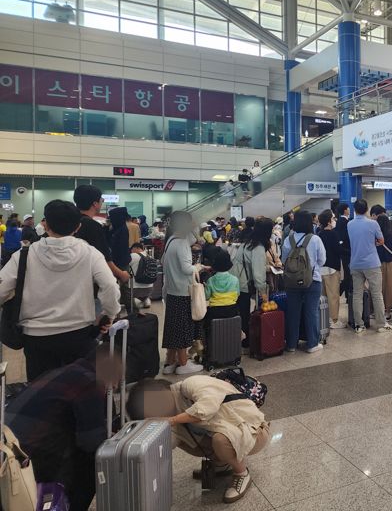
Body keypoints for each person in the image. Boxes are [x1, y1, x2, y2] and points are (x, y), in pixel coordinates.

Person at [0, 200, 119, 381]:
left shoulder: (24, 255)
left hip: (37, 339)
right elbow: (110, 285)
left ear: (45, 224)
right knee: (78, 393)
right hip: (79, 335)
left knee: (43, 397)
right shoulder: (90, 253)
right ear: (78, 226)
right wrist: (109, 313)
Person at [6, 344, 122, 511]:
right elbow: (91, 443)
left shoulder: (62, 372)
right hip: (26, 466)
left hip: (10, 452)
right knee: (96, 462)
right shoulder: (90, 382)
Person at [127, 377, 269, 504]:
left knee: (220, 440)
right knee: (182, 438)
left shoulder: (191, 384)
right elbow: (170, 443)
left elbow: (207, 407)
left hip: (254, 432)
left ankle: (241, 473)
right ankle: (222, 464)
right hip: (230, 434)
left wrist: (172, 420)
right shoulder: (172, 410)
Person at [162, 210, 203, 375]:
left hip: (172, 291)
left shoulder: (171, 240)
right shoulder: (181, 243)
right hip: (182, 291)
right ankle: (184, 363)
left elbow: (195, 239)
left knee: (173, 328)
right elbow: (187, 269)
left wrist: (194, 228)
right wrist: (199, 267)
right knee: (182, 328)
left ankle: (170, 362)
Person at [347, 199, 392, 333]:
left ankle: (359, 325)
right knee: (376, 294)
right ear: (367, 209)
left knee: (357, 294)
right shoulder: (373, 224)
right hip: (372, 263)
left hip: (355, 263)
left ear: (354, 210)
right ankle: (381, 324)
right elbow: (381, 240)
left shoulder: (350, 224)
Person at [282, 211, 326, 352]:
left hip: (292, 281)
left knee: (293, 312)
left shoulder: (288, 240)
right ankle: (312, 344)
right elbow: (322, 260)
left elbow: (284, 261)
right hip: (312, 280)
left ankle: (291, 345)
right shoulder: (315, 239)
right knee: (311, 311)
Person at [73, 185, 131, 293]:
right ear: (95, 204)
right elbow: (104, 258)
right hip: (90, 282)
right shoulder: (93, 226)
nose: (102, 202)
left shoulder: (70, 223)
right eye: (101, 200)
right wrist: (121, 274)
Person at [232, 219, 270, 349]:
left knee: (240, 311)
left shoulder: (247, 243)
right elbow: (258, 275)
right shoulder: (258, 247)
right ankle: (245, 340)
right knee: (244, 312)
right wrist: (264, 293)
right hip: (243, 283)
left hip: (235, 280)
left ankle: (238, 338)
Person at [203, 250, 240, 337]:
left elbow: (206, 297)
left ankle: (203, 343)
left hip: (215, 312)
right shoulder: (235, 280)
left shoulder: (211, 280)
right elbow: (237, 295)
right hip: (232, 311)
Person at [318, 209, 345, 329]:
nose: (334, 220)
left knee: (323, 296)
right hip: (332, 269)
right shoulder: (333, 234)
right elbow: (338, 251)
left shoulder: (319, 234)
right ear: (329, 221)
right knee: (333, 296)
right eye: (333, 218)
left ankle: (323, 319)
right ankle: (333, 320)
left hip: (321, 269)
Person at [376, 213, 392, 314]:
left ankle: (379, 310)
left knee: (379, 286)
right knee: (390, 286)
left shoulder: (376, 235)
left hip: (378, 263)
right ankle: (388, 310)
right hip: (390, 263)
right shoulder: (391, 234)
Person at [335, 202, 353, 303]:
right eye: (348, 208)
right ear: (345, 210)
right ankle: (342, 292)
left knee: (348, 274)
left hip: (345, 251)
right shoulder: (344, 222)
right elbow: (343, 237)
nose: (349, 210)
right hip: (347, 251)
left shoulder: (341, 221)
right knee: (348, 274)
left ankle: (347, 294)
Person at [129, 242, 154, 309]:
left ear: (136, 248)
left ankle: (135, 301)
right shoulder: (150, 257)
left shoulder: (133, 255)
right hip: (149, 288)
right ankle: (146, 300)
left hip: (135, 289)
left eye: (131, 249)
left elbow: (126, 268)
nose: (131, 251)